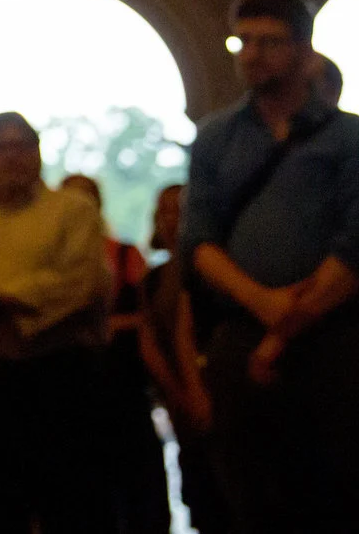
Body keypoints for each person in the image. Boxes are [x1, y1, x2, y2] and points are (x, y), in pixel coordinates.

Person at [179, 0, 359, 533]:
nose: (251, 53)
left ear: (305, 52)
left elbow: (354, 244)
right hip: (240, 332)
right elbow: (198, 240)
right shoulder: (216, 137)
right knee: (252, 498)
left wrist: (288, 325)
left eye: (269, 42)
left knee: (342, 490)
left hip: (335, 336)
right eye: (243, 40)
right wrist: (266, 307)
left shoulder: (349, 137)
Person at [0, 113, 111, 534]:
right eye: (1, 147)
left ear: (38, 152)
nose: (13, 156)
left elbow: (80, 283)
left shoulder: (73, 209)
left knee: (71, 506)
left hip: (62, 377)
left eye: (22, 145)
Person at [59, 173, 169, 534]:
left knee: (140, 488)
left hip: (122, 389)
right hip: (72, 392)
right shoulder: (51, 266)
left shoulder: (124, 255)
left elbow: (149, 319)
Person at [138, 184, 227, 534]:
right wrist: (178, 393)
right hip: (183, 404)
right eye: (165, 211)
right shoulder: (156, 277)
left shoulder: (218, 270)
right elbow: (151, 341)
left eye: (181, 210)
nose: (173, 220)